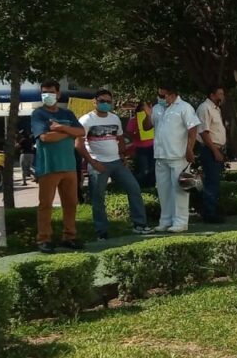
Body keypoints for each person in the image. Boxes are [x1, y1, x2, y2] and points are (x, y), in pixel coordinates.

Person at [78, 89, 154, 240]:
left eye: (108, 101)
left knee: (134, 189)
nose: (105, 104)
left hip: (116, 162)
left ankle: (140, 225)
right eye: (102, 101)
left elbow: (119, 138)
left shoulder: (114, 118)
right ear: (95, 102)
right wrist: (92, 162)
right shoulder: (86, 120)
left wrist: (122, 155)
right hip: (98, 163)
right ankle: (102, 232)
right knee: (98, 198)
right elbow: (79, 145)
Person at [30, 81, 84, 251]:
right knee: (45, 204)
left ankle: (69, 236)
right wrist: (68, 132)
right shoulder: (38, 114)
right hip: (49, 166)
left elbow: (82, 132)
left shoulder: (67, 113)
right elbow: (44, 138)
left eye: (51, 92)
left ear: (58, 94)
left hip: (69, 165)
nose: (47, 95)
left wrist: (60, 128)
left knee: (71, 203)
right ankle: (43, 239)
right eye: (44, 92)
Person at [150, 85, 201, 232]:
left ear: (172, 95)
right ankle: (165, 221)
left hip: (178, 156)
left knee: (180, 189)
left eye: (163, 96)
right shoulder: (157, 108)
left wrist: (190, 149)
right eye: (158, 95)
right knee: (163, 190)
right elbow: (148, 126)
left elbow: (193, 128)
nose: (160, 99)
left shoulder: (184, 107)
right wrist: (148, 113)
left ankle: (180, 222)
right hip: (160, 155)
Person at [196, 86, 229, 224]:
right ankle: (209, 213)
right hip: (210, 149)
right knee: (211, 182)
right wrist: (215, 151)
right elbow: (204, 132)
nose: (222, 96)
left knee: (215, 181)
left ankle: (213, 210)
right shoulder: (205, 108)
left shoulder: (216, 109)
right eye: (219, 94)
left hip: (217, 148)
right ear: (212, 94)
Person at [125, 100, 157, 188]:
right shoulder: (133, 120)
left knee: (152, 168)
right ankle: (137, 184)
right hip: (140, 148)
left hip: (152, 146)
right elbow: (129, 133)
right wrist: (137, 134)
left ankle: (150, 185)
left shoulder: (152, 118)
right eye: (143, 109)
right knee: (144, 169)